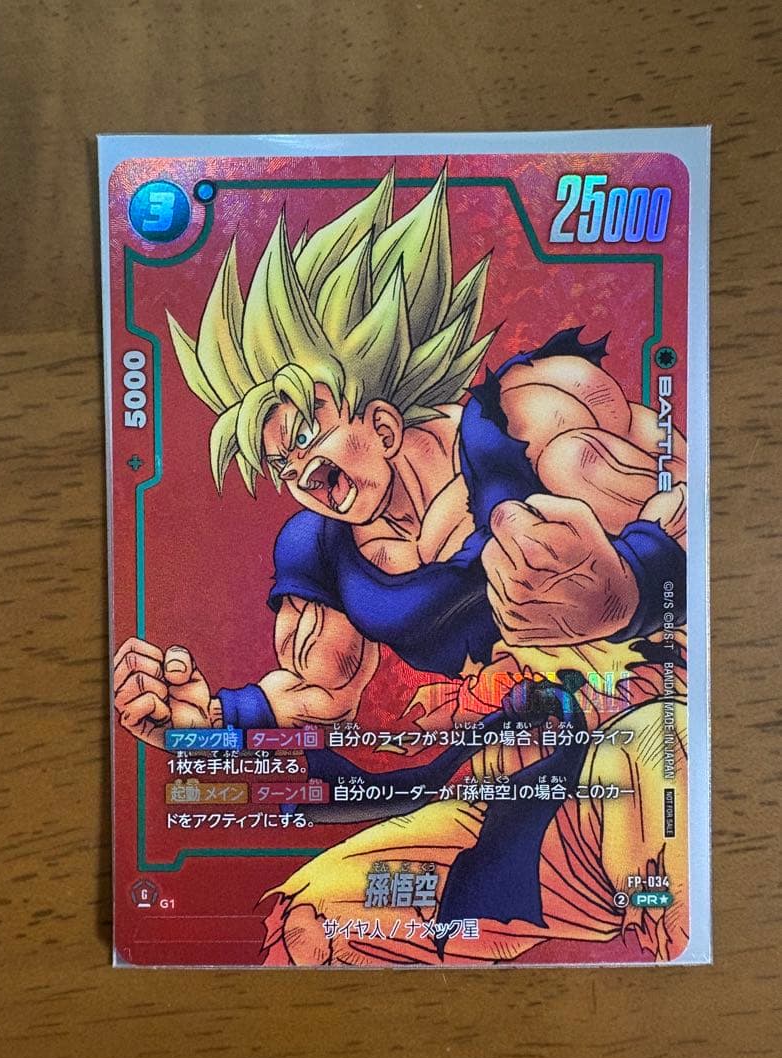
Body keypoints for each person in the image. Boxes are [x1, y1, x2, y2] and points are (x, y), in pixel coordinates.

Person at [114, 168, 689, 964]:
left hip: (647, 747)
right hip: (504, 789)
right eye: (280, 461)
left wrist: (630, 587)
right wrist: (211, 722)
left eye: (307, 433)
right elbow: (321, 693)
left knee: (655, 782)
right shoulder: (320, 548)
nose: (300, 472)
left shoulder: (528, 423)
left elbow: (696, 506)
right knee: (311, 924)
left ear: (381, 420)